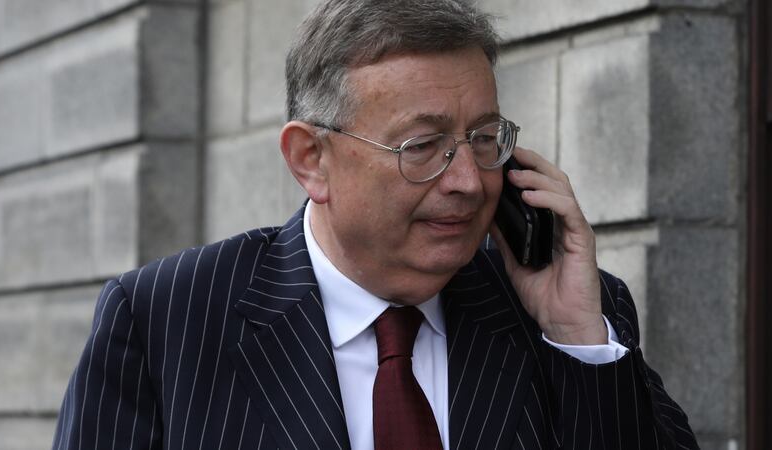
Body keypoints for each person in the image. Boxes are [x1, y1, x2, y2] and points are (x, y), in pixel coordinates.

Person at [52, 0, 699, 448]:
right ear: (312, 160)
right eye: (422, 147)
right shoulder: (164, 319)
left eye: (482, 138)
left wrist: (576, 337)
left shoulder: (575, 320)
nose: (470, 181)